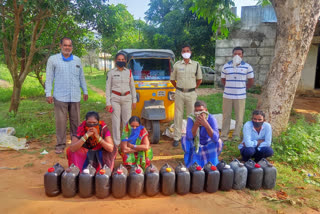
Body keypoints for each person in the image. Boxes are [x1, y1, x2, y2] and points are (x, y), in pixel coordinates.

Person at [45, 37, 88, 154]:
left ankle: (75, 142)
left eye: (69, 45)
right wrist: (48, 93)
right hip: (60, 96)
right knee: (60, 122)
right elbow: (49, 78)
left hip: (75, 96)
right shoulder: (53, 60)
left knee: (76, 122)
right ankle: (60, 144)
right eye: (65, 45)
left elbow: (81, 77)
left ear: (72, 47)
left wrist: (85, 91)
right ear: (60, 46)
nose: (67, 48)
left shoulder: (77, 60)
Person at [170, 44, 202, 147]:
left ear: (191, 52)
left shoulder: (196, 65)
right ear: (181, 53)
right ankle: (177, 137)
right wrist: (179, 88)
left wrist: (193, 88)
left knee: (192, 115)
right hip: (179, 93)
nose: (186, 52)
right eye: (184, 51)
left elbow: (199, 79)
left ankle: (191, 136)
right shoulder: (177, 65)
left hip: (191, 93)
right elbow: (172, 79)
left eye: (187, 50)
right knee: (178, 115)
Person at [220, 47, 254, 142]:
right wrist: (229, 87)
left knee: (239, 117)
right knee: (226, 116)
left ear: (242, 55)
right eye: (235, 54)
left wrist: (243, 88)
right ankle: (224, 136)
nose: (237, 56)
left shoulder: (247, 67)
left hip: (240, 96)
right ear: (232, 55)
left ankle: (236, 136)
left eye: (239, 54)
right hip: (227, 96)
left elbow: (251, 80)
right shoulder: (226, 66)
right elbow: (223, 80)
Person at [105, 52, 137, 146]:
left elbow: (132, 87)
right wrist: (108, 103)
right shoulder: (111, 73)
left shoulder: (129, 72)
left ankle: (126, 142)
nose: (121, 61)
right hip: (115, 99)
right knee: (116, 122)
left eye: (123, 60)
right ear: (115, 61)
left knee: (127, 122)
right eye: (119, 59)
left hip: (127, 98)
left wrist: (134, 100)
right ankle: (117, 143)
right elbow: (107, 88)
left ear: (126, 61)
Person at [181, 101, 223, 167]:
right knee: (184, 139)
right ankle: (190, 159)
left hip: (207, 142)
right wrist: (196, 124)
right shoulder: (191, 118)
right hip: (195, 142)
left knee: (219, 142)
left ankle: (212, 159)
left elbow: (215, 137)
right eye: (196, 111)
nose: (198, 113)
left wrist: (206, 125)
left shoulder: (211, 118)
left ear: (206, 110)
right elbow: (189, 136)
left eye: (201, 110)